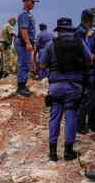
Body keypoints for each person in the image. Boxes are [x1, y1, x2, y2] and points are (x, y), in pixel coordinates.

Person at [40, 17, 93, 162]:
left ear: (59, 30)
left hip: (56, 87)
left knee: (55, 117)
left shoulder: (51, 44)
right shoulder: (80, 42)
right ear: (70, 29)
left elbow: (42, 65)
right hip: (74, 87)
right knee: (71, 116)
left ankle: (52, 153)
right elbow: (89, 59)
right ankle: (68, 152)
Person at [15, 0, 39, 97]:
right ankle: (21, 88)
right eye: (32, 2)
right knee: (23, 64)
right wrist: (28, 43)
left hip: (26, 42)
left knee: (26, 64)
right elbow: (23, 30)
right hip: (23, 42)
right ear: (26, 1)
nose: (34, 4)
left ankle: (23, 85)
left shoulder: (28, 14)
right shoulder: (24, 14)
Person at [76, 9, 95, 134]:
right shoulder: (83, 32)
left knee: (85, 97)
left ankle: (83, 123)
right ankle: (81, 125)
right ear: (89, 20)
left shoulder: (79, 31)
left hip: (80, 69)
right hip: (85, 69)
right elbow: (87, 53)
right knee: (87, 98)